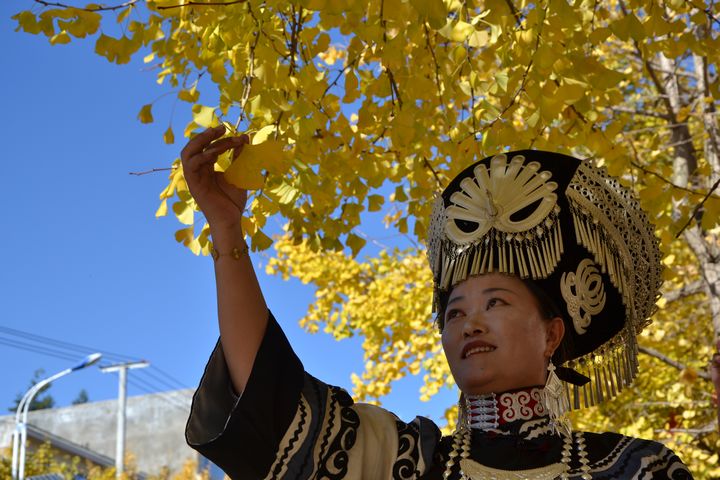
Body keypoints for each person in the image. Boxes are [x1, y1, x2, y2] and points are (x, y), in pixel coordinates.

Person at [181, 125, 693, 479]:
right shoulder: (407, 464)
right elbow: (270, 409)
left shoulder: (634, 467)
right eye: (454, 312)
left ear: (552, 333)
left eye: (495, 303)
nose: (470, 323)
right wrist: (228, 233)